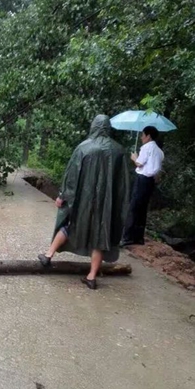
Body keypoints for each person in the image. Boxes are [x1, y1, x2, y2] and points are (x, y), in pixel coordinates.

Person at [37, 114, 130, 290]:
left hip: (83, 201)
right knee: (100, 237)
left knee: (70, 225)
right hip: (106, 205)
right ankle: (91, 277)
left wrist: (62, 196)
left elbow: (72, 177)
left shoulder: (84, 148)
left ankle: (48, 256)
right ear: (108, 128)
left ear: (93, 126)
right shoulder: (119, 151)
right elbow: (123, 185)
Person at [120, 126, 164, 246]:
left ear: (148, 136)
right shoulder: (160, 151)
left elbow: (139, 163)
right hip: (151, 182)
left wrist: (134, 158)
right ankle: (139, 237)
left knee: (134, 208)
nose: (141, 138)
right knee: (143, 208)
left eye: (143, 135)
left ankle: (127, 237)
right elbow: (157, 170)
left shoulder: (146, 147)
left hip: (142, 179)